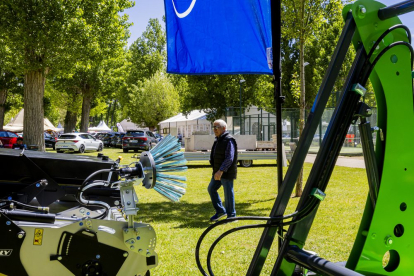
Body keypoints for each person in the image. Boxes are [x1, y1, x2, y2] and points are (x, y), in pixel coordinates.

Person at [208, 119, 238, 222]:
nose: (215, 129)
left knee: (228, 192)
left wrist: (221, 170)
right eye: (214, 127)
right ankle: (221, 211)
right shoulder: (218, 139)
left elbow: (229, 158)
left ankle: (232, 216)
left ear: (224, 128)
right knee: (211, 189)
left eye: (217, 127)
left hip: (225, 172)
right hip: (217, 172)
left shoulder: (229, 140)